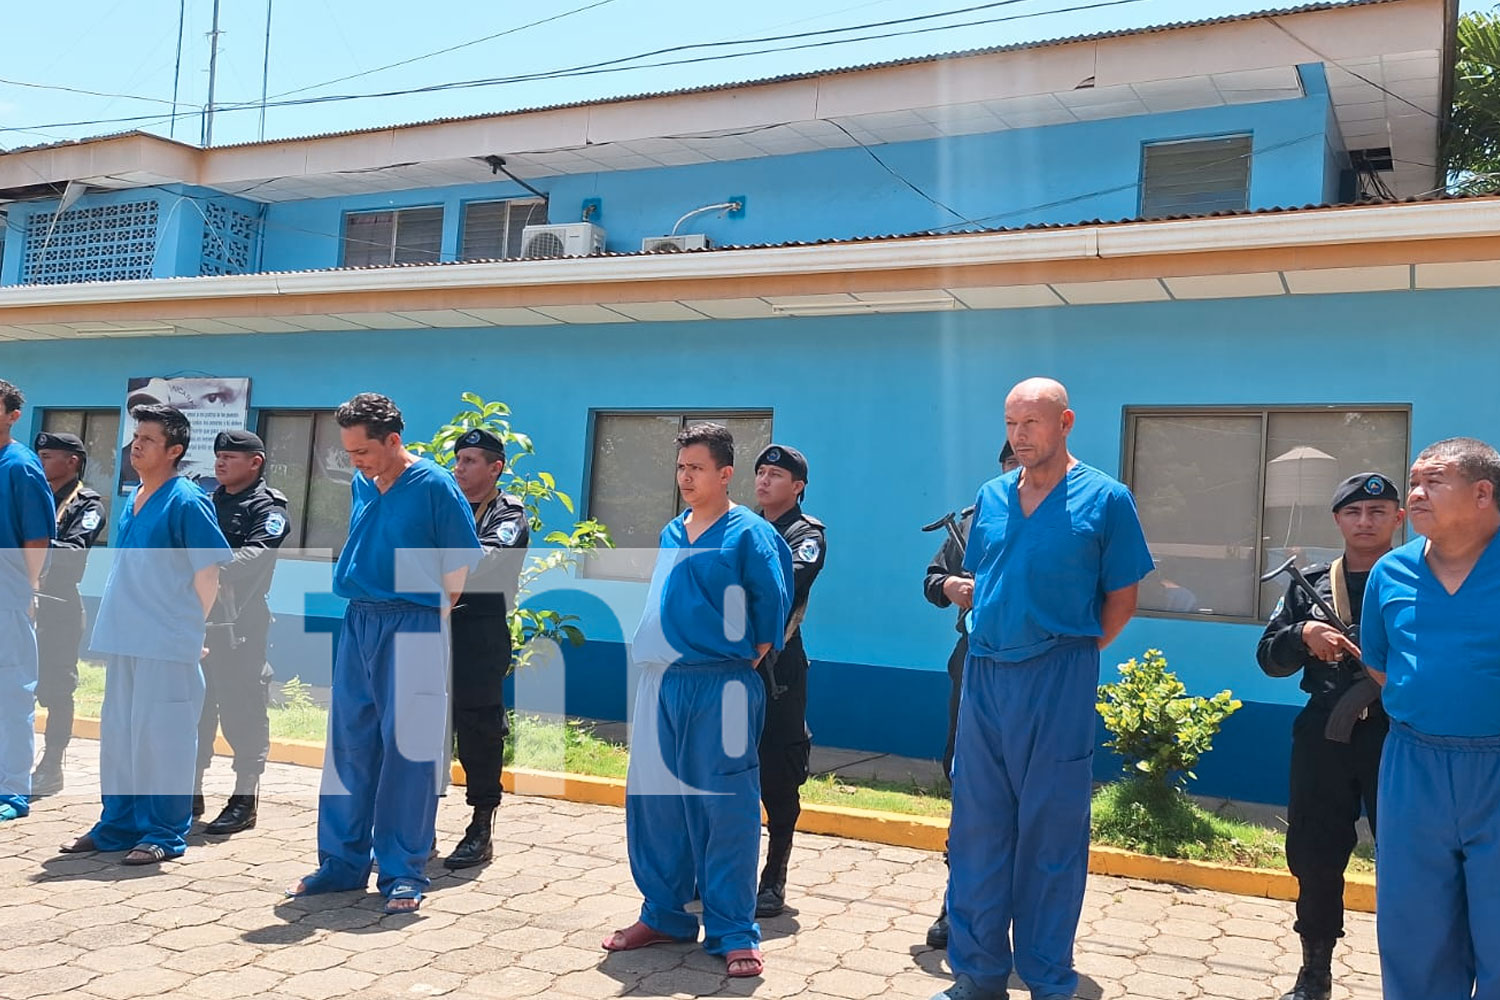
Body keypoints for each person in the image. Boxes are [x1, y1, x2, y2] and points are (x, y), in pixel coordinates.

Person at [936, 378, 1154, 1000]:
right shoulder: (993, 495)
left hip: (1058, 675)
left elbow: (1122, 598)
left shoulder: (1105, 499)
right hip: (986, 675)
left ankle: (1047, 975)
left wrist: (1074, 652)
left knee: (1051, 833)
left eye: (1031, 422)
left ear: (1065, 423)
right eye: (1010, 423)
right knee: (977, 828)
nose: (1019, 435)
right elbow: (982, 576)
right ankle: (977, 975)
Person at [602, 422, 793, 980]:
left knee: (725, 806)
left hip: (724, 685)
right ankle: (664, 914)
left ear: (725, 473)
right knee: (657, 803)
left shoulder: (749, 535)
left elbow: (768, 619)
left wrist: (729, 668)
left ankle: (734, 930)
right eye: (681, 468)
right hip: (664, 684)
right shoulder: (672, 531)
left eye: (697, 469)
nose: (686, 478)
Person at [287, 393, 479, 914]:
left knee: (409, 753)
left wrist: (429, 618)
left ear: (394, 441)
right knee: (349, 742)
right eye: (349, 453)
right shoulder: (362, 482)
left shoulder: (435, 486)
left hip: (413, 622)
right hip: (360, 621)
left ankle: (402, 871)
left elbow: (457, 568)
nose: (356, 462)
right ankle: (341, 864)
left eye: (362, 452)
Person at [59, 404, 231, 863]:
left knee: (165, 741)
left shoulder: (187, 500)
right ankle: (117, 825)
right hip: (124, 638)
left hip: (167, 642)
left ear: (174, 450)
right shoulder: (135, 496)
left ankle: (163, 833)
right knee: (121, 739)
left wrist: (189, 631)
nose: (137, 444)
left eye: (149, 439)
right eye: (136, 436)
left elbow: (207, 574)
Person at [1361, 437, 1500, 1000]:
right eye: (1414, 481)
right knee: (1414, 924)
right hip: (1413, 764)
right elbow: (1379, 663)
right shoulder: (1389, 573)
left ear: (1483, 493)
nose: (1414, 495)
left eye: (1433, 482)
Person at [1256, 472, 1402, 1000]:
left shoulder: (1419, 579)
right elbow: (1268, 658)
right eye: (1354, 513)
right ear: (1338, 520)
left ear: (1398, 520)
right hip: (1325, 735)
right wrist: (1303, 635)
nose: (1366, 522)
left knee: (1407, 857)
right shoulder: (1312, 584)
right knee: (1315, 854)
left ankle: (1410, 973)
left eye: (1378, 512)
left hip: (1396, 736)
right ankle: (1314, 969)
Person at [922, 441, 1017, 949]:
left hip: (1037, 664)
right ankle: (955, 902)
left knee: (1025, 788)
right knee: (964, 775)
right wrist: (953, 588)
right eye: (1008, 467)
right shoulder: (978, 519)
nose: (1017, 475)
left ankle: (1020, 915)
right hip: (975, 657)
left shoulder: (1067, 521)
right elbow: (932, 579)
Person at [194, 430, 291, 836]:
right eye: (218, 455)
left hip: (240, 624)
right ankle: (189, 791)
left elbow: (257, 551)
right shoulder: (205, 500)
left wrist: (212, 567)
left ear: (256, 462)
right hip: (198, 619)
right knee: (197, 709)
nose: (221, 462)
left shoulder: (268, 506)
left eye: (231, 456)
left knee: (242, 709)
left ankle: (243, 798)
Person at [442, 427, 529, 870]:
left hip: (479, 631)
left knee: (479, 729)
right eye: (458, 460)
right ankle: (413, 825)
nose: (460, 468)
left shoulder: (507, 512)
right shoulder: (442, 503)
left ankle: (480, 825)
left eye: (471, 461)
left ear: (496, 467)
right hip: (433, 627)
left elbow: (488, 559)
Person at [750, 443, 827, 918]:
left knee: (777, 772)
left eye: (775, 475)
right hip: (728, 659)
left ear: (797, 486)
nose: (764, 480)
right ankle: (717, 869)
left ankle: (774, 875)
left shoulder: (807, 533)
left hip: (778, 666)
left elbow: (787, 581)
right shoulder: (738, 526)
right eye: (759, 472)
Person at [30, 431, 107, 797]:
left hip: (58, 607)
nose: (40, 461)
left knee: (57, 689)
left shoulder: (87, 504)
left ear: (71, 461)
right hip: (20, 602)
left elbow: (73, 551)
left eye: (47, 456)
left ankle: (52, 762)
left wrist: (28, 544)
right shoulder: (32, 494)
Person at [0, 381, 58, 823]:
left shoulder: (20, 466)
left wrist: (30, 590)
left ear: (13, 414)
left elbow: (38, 537)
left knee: (11, 693)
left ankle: (12, 790)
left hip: (9, 590)